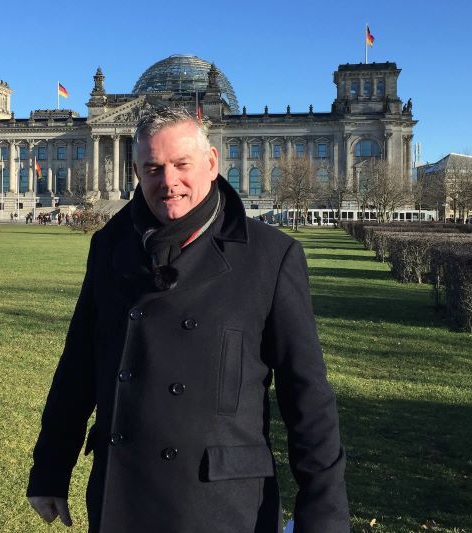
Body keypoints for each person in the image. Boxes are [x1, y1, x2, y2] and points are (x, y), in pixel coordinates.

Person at [26, 108, 349, 532]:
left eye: (182, 164)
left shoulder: (270, 256)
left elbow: (307, 397)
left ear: (212, 163)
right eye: (153, 168)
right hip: (125, 494)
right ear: (136, 170)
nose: (168, 182)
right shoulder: (109, 246)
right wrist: (51, 466)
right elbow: (80, 364)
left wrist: (324, 518)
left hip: (222, 504)